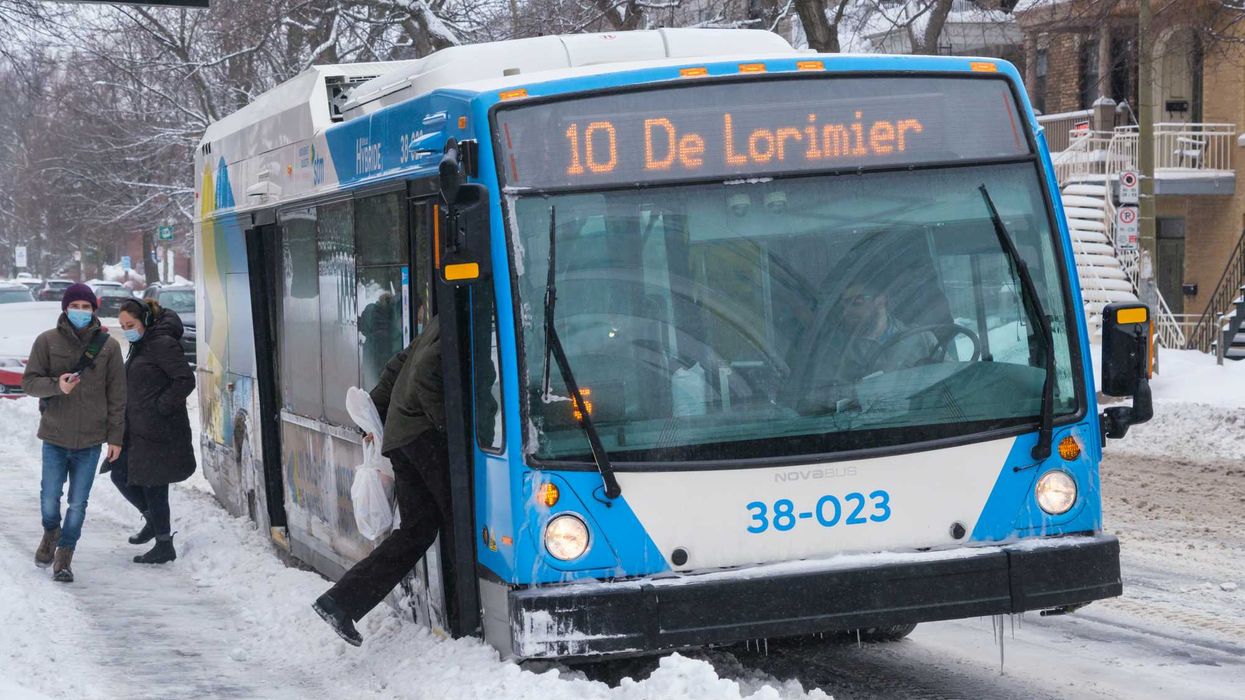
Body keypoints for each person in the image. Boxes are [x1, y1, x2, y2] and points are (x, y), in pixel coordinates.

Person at [313, 314, 447, 646]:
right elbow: (423, 372)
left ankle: (341, 602)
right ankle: (466, 619)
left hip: (404, 439)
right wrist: (451, 427)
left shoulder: (440, 320)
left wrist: (375, 411)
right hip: (423, 439)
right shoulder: (471, 313)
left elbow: (399, 364)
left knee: (417, 530)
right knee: (458, 516)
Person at [23, 283, 125, 583]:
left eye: (86, 306)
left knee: (78, 503)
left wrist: (115, 437)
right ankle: (51, 532)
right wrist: (57, 385)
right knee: (49, 497)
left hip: (90, 439)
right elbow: (29, 382)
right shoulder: (46, 341)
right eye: (75, 306)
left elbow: (118, 396)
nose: (81, 311)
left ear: (94, 310)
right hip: (55, 436)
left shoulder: (108, 347)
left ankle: (65, 555)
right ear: (65, 308)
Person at [106, 298, 197, 564]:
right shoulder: (142, 344)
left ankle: (164, 544)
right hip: (138, 427)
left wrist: (160, 407)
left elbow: (185, 380)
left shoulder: (161, 343)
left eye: (130, 325)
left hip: (159, 428)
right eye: (123, 326)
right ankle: (152, 521)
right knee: (120, 474)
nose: (127, 330)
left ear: (145, 320)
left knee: (154, 484)